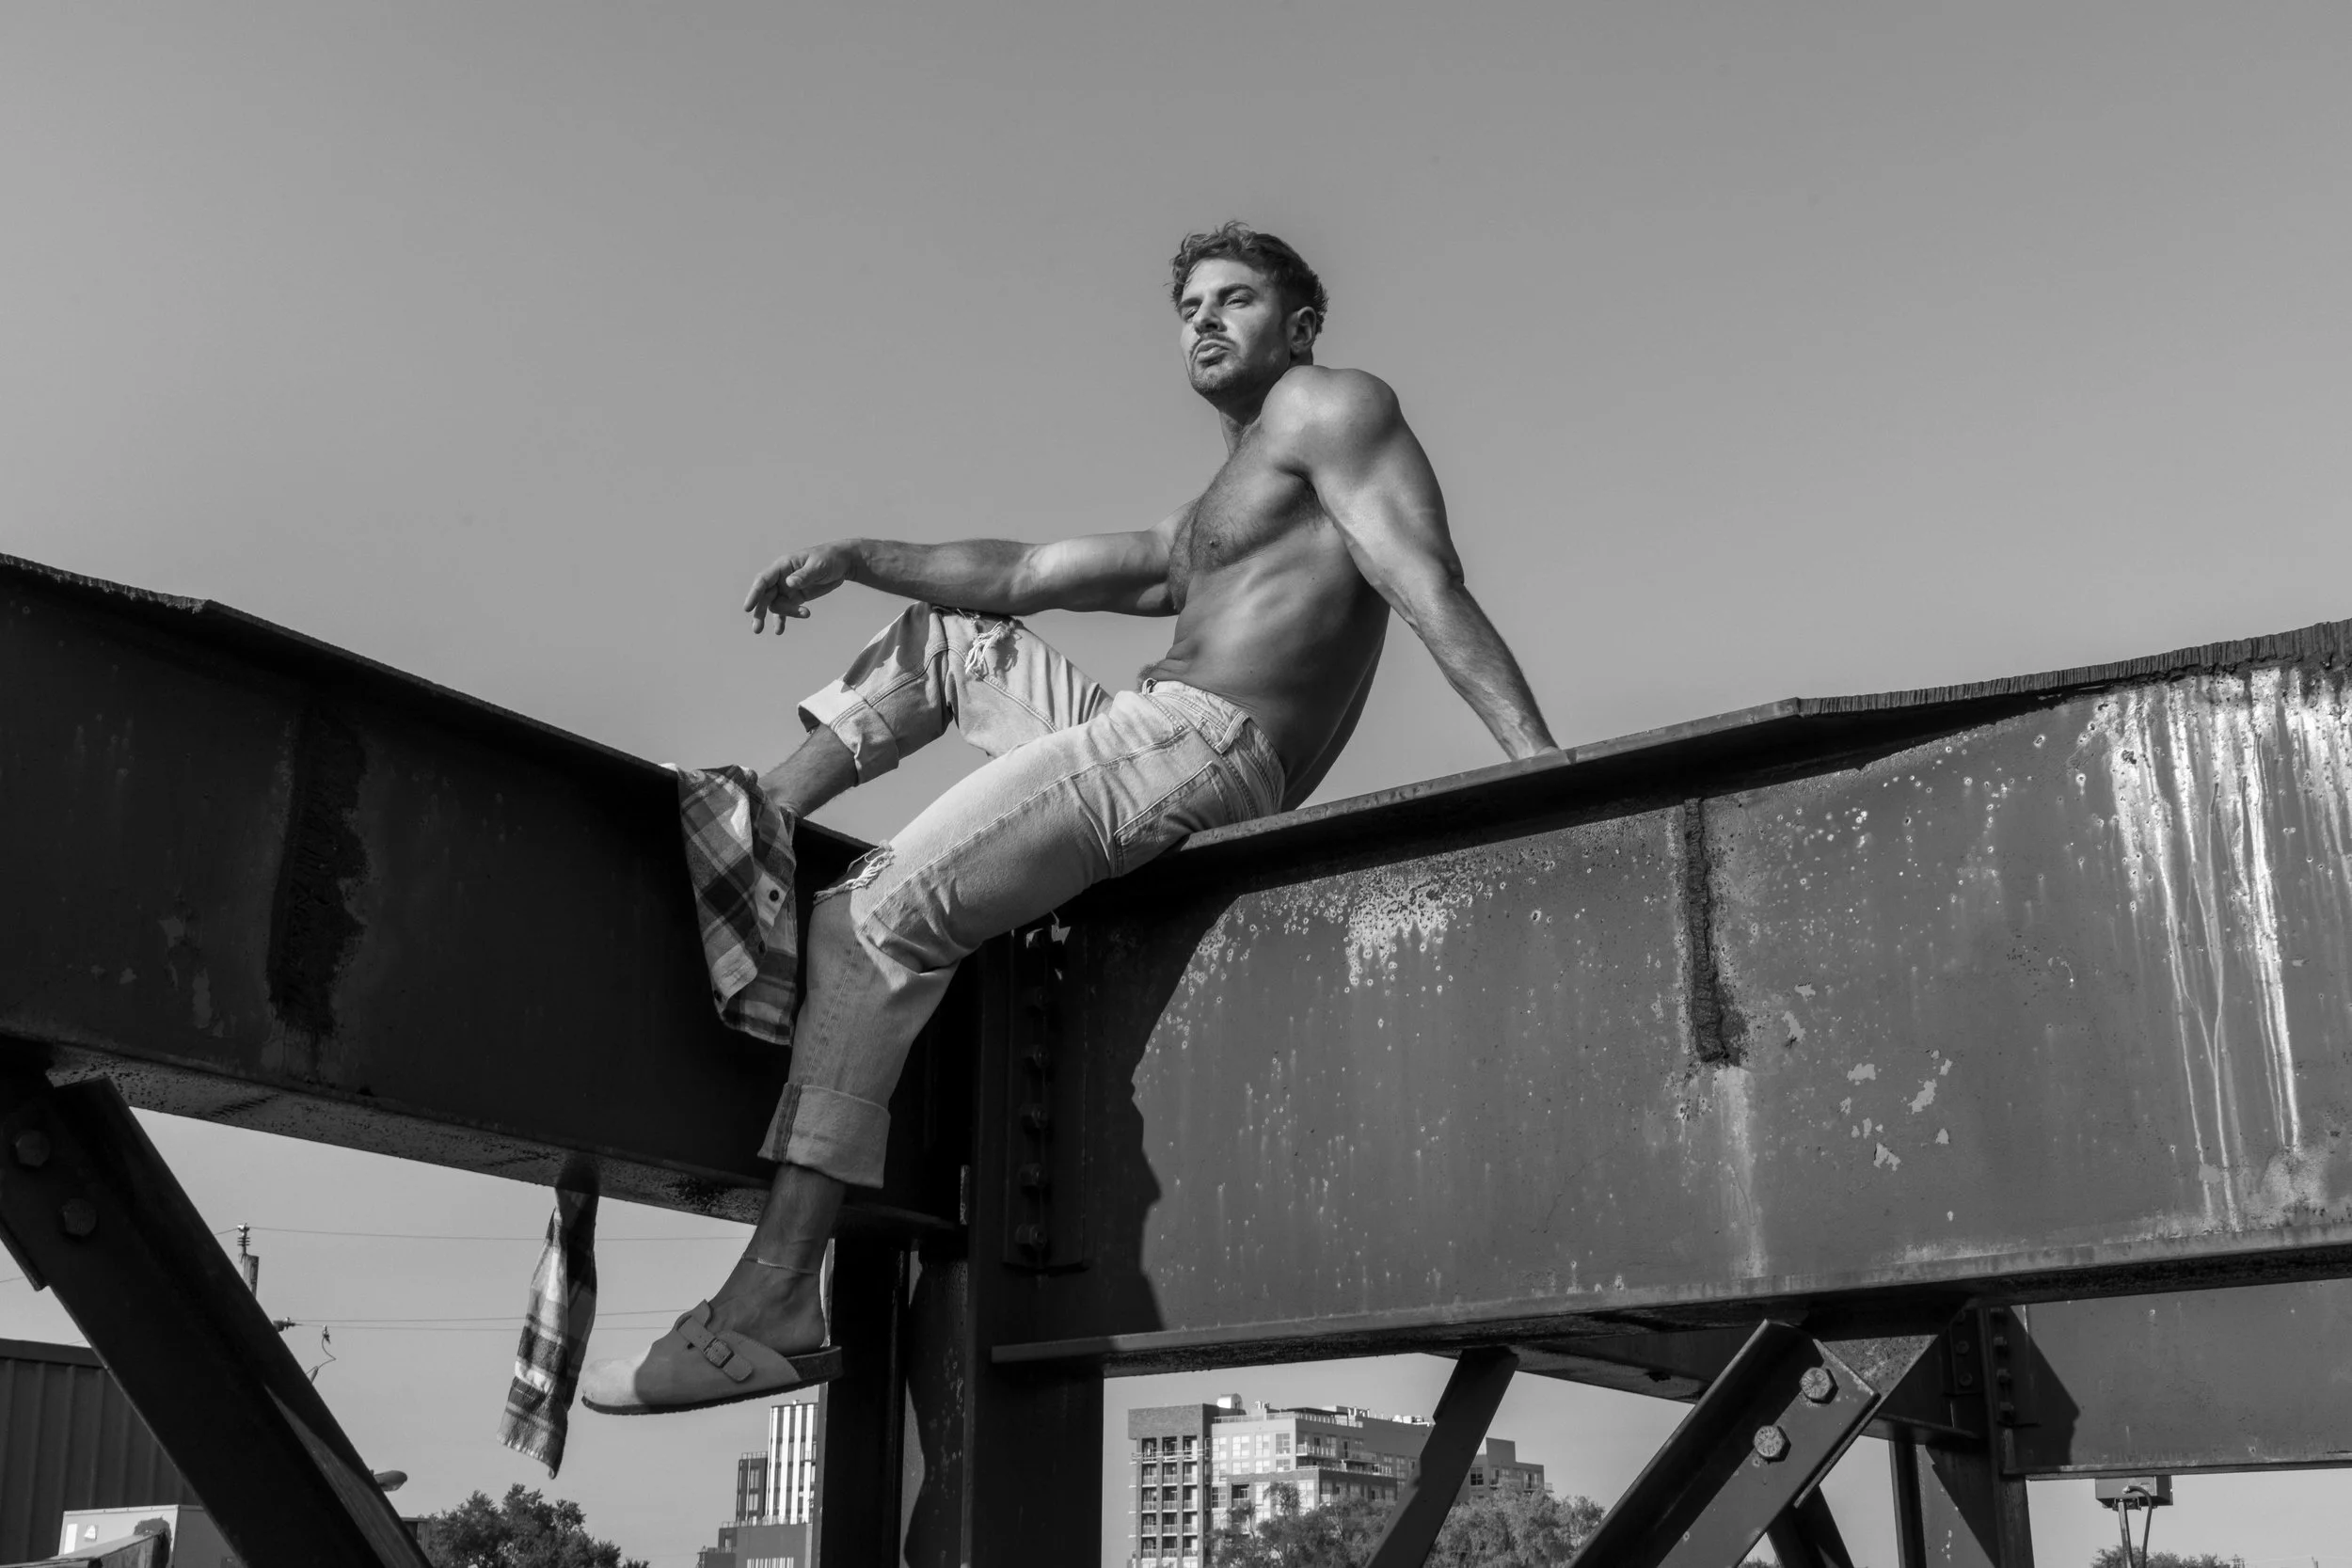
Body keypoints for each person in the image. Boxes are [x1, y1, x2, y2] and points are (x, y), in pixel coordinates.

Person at [582, 222, 1555, 1413]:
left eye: (1234, 299)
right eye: (1189, 303)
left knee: (872, 922)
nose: (1202, 319)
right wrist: (856, 554)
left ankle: (779, 1289)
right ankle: (762, 821)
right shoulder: (1219, 505)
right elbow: (1024, 571)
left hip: (1198, 737)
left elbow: (1425, 582)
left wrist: (1540, 770)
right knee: (953, 637)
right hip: (1149, 733)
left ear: (1298, 326)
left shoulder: (1330, 405)